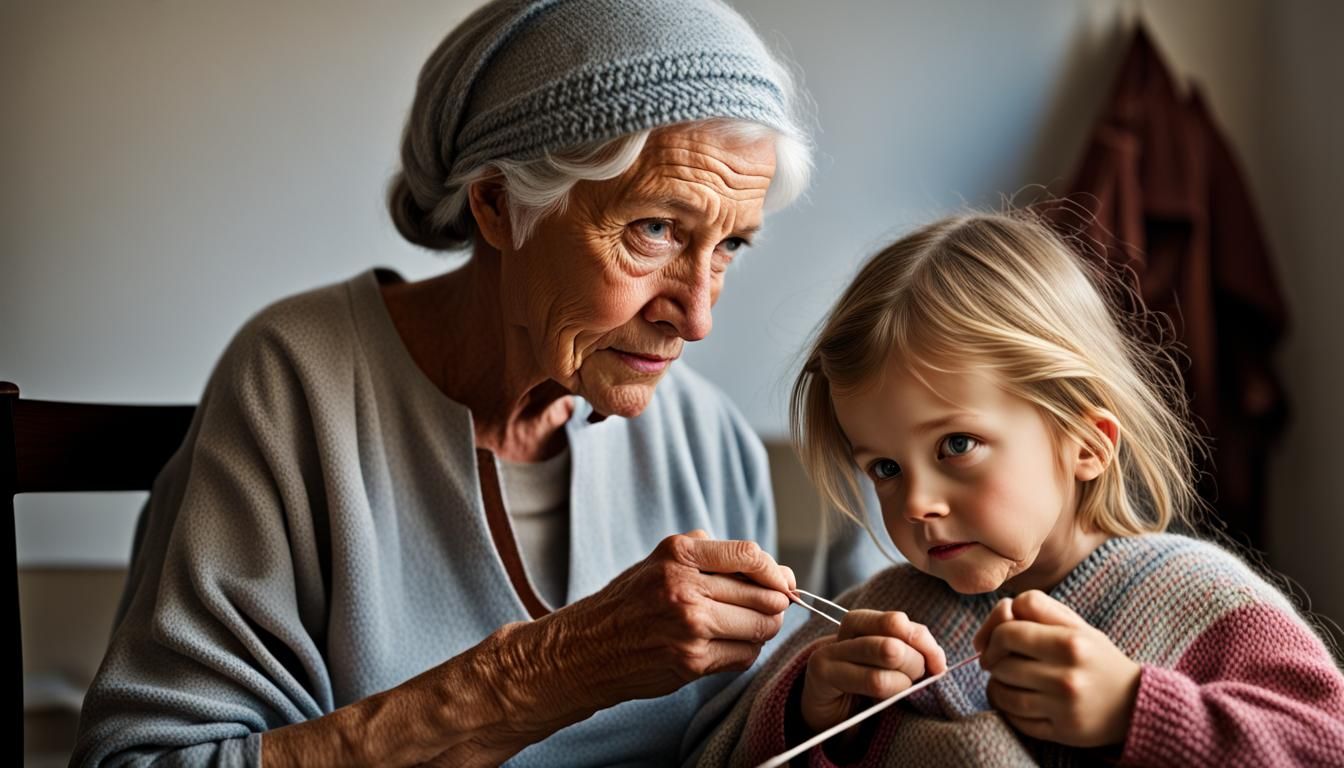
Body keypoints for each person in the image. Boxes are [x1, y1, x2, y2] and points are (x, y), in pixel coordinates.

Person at [69, 1, 885, 765]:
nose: (697, 315)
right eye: (656, 229)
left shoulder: (707, 443)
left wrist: (814, 701)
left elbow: (730, 742)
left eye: (731, 246)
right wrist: (554, 669)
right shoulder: (297, 384)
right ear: (497, 207)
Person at [697, 213, 1344, 766]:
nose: (917, 503)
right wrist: (808, 712)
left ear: (1086, 443)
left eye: (956, 445)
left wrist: (1133, 710)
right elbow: (717, 754)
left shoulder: (1202, 601)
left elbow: (1323, 744)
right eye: (885, 469)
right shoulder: (881, 615)